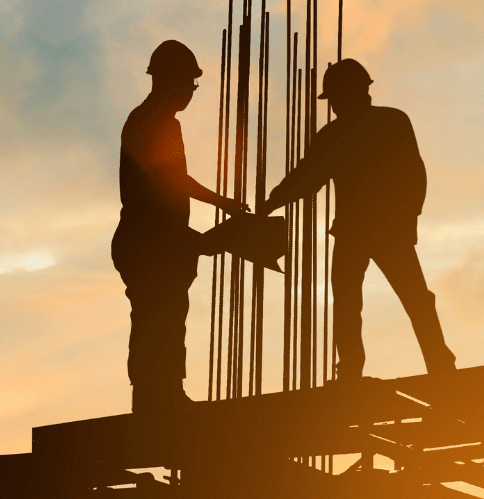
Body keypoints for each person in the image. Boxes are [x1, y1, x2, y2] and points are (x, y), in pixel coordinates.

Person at [261, 58, 457, 382]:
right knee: (365, 301)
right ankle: (426, 363)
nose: (334, 104)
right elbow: (307, 177)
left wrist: (408, 219)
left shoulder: (374, 126)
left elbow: (412, 174)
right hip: (370, 230)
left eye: (335, 96)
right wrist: (272, 202)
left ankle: (421, 364)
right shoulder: (371, 126)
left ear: (354, 91)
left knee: (375, 300)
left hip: (377, 228)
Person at [115, 40, 250, 413]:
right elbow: (172, 181)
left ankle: (159, 397)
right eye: (189, 83)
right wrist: (223, 206)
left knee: (163, 317)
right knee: (159, 319)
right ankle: (156, 399)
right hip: (150, 243)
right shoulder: (157, 123)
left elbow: (171, 183)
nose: (191, 91)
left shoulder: (149, 120)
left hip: (154, 241)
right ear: (170, 80)